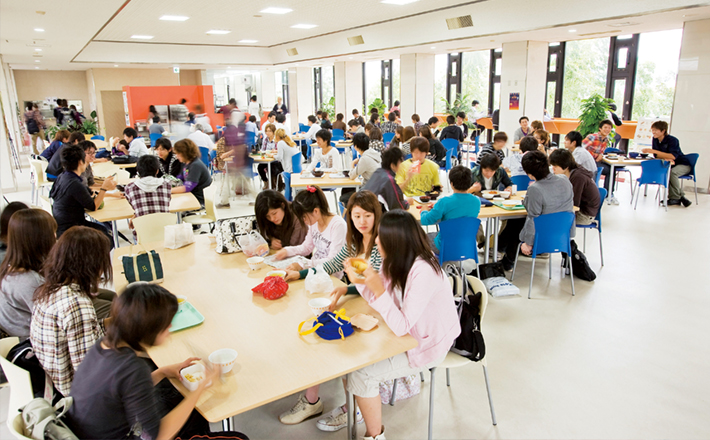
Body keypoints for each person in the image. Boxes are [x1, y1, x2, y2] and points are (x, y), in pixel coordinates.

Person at [66, 283, 248, 440]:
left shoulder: (103, 346)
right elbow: (159, 435)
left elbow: (121, 391)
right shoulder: (133, 368)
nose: (170, 328)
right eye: (167, 324)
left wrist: (163, 372)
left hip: (88, 433)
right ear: (150, 328)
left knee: (177, 396)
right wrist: (200, 388)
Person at [342, 210, 460, 440]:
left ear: (394, 241)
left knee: (362, 373)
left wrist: (374, 286)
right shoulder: (397, 260)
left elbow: (401, 325)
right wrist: (363, 281)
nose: (376, 240)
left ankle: (375, 436)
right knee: (355, 359)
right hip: (410, 335)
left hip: (428, 345)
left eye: (381, 236)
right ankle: (360, 409)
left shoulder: (424, 271)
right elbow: (381, 297)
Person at [280, 191, 383, 431]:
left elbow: (375, 282)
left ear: (376, 215)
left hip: (379, 308)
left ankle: (353, 408)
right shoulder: (354, 241)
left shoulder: (381, 243)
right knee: (321, 331)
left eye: (367, 215)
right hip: (362, 303)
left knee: (343, 345)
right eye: (356, 215)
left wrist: (347, 289)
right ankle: (314, 399)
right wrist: (303, 273)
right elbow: (333, 265)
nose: (362, 221)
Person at [30, 226, 114, 397]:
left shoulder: (51, 289)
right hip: (77, 397)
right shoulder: (77, 305)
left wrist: (113, 322)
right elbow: (90, 374)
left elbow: (80, 337)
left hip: (55, 381)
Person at [497, 150, 574, 270]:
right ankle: (501, 250)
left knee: (517, 222)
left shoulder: (535, 189)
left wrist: (528, 243)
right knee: (516, 223)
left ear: (530, 175)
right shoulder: (564, 180)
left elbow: (532, 218)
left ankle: (505, 257)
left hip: (543, 235)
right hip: (563, 233)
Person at [0, 209, 56, 339]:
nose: (55, 236)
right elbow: (54, 320)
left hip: (22, 333)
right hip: (35, 343)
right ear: (40, 239)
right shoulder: (30, 281)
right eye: (52, 232)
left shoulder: (10, 266)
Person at [49, 145, 117, 242]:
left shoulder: (62, 176)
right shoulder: (74, 183)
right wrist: (104, 188)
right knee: (106, 238)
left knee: (104, 230)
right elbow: (93, 207)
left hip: (60, 225)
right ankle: (90, 256)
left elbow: (87, 193)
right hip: (72, 228)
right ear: (81, 162)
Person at [273, 185, 347, 273]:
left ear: (316, 211)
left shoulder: (338, 225)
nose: (303, 221)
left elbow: (333, 261)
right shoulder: (314, 221)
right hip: (313, 270)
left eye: (304, 217)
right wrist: (286, 251)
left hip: (330, 275)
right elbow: (306, 247)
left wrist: (303, 264)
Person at [420, 165, 481, 251]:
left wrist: (424, 211)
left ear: (451, 184)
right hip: (465, 246)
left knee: (419, 238)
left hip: (444, 245)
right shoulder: (476, 201)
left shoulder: (444, 202)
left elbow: (425, 220)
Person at [642, 120, 693, 207]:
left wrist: (653, 151)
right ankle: (679, 197)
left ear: (663, 130)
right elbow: (657, 156)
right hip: (671, 165)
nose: (653, 132)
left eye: (655, 130)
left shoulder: (673, 140)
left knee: (673, 172)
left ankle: (676, 197)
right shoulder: (655, 139)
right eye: (652, 130)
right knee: (668, 172)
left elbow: (673, 156)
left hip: (683, 164)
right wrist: (665, 156)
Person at [124, 155, 172, 239]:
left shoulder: (129, 187)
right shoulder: (167, 185)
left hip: (142, 235)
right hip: (165, 234)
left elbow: (136, 207)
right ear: (157, 171)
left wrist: (136, 215)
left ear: (138, 171)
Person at [549, 149, 600, 225]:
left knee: (548, 217)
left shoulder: (578, 177)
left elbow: (573, 203)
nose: (553, 169)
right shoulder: (572, 171)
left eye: (555, 166)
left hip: (585, 214)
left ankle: (561, 236)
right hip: (580, 209)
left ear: (566, 166)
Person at [362, 147, 411, 211]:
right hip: (376, 215)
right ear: (392, 165)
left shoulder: (378, 172)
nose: (402, 165)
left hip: (365, 209)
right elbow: (398, 206)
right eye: (400, 162)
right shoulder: (389, 179)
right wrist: (407, 202)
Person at [171, 139, 212, 207]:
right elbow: (179, 178)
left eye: (178, 153)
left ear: (185, 152)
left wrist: (168, 191)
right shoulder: (187, 164)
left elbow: (187, 187)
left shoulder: (195, 165)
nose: (176, 156)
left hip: (197, 200)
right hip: (191, 196)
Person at [583, 119, 615, 195]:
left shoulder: (606, 140)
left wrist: (601, 155)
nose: (607, 130)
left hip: (596, 162)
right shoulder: (592, 137)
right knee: (610, 170)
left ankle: (608, 193)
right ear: (600, 128)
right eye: (605, 127)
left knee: (611, 169)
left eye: (609, 128)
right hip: (587, 163)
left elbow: (601, 152)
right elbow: (580, 149)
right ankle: (605, 193)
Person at [257, 124, 283, 189]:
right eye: (266, 131)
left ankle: (273, 186)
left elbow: (279, 151)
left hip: (276, 160)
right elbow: (263, 149)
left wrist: (274, 152)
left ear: (274, 131)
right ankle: (266, 182)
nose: (267, 133)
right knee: (260, 167)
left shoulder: (277, 140)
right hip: (267, 159)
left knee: (271, 168)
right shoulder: (265, 139)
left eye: (269, 131)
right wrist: (261, 151)